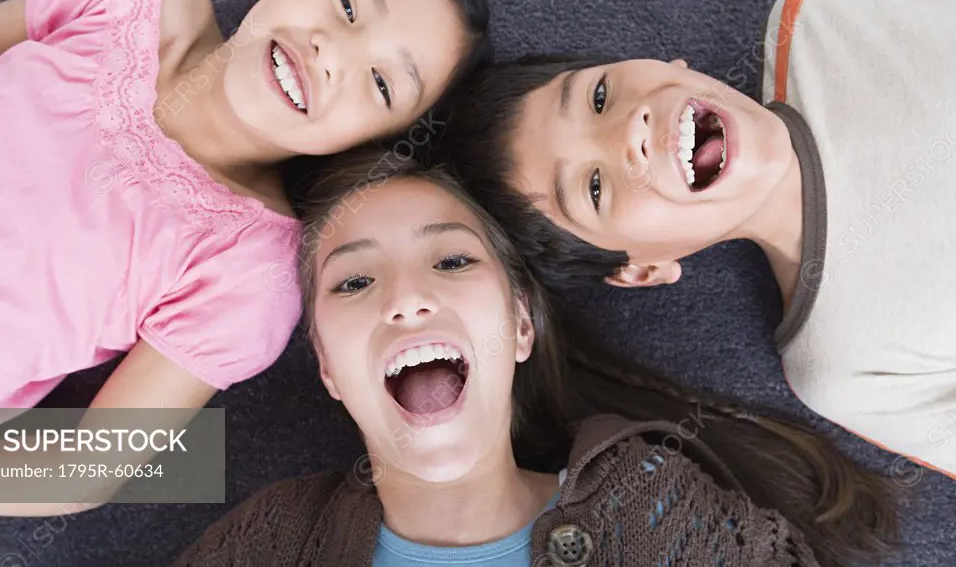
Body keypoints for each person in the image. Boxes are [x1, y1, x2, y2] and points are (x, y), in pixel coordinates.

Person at [0, 0, 489, 515]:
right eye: (346, 3)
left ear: (371, 139)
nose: (333, 52)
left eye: (383, 83)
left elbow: (83, 470)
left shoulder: (248, 273)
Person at [171, 146, 898, 567]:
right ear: (328, 366)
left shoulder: (646, 502)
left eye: (452, 260)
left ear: (521, 325)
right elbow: (72, 463)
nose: (407, 299)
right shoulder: (272, 538)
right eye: (356, 281)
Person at [439, 0, 956, 478]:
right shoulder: (843, 365)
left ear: (671, 64)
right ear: (643, 270)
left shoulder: (820, 17)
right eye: (593, 188)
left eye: (599, 98)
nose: (632, 134)